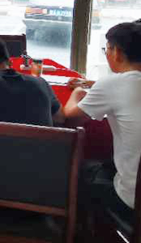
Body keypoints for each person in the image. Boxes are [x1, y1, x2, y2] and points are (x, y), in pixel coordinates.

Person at [64, 22, 141, 226]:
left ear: (117, 52)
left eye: (106, 49)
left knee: (75, 171)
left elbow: (71, 118)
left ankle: (83, 231)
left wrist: (77, 93)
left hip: (131, 203)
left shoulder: (114, 83)